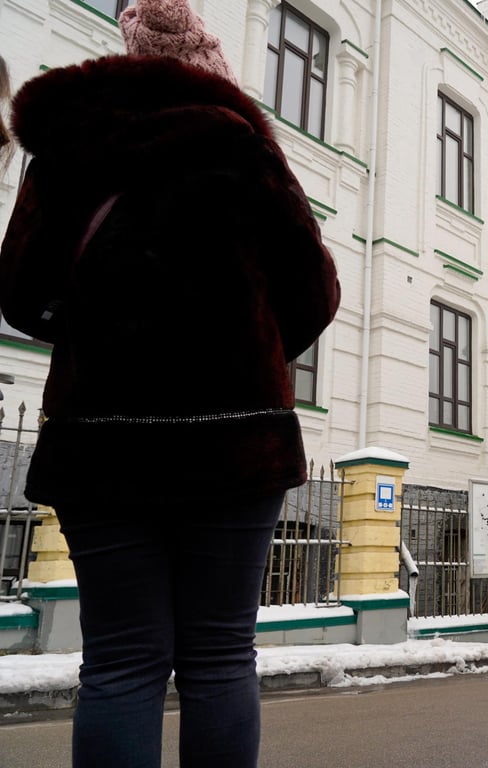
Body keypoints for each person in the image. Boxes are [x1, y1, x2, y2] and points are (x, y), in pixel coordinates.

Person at [0, 1, 340, 765]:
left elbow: (19, 293)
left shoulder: (63, 148)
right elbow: (314, 290)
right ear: (204, 61)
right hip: (238, 443)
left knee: (121, 662)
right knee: (220, 658)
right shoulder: (248, 149)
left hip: (99, 443)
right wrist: (245, 341)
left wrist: (99, 333)